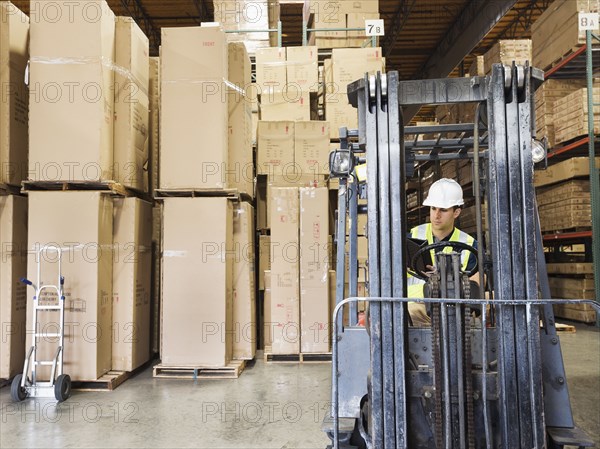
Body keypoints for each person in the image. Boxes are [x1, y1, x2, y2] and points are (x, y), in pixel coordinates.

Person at [407, 178, 478, 326]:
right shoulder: (412, 236)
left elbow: (476, 284)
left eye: (443, 210)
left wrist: (446, 278)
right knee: (409, 313)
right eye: (433, 208)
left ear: (456, 212)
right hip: (416, 305)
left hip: (454, 310)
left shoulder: (469, 244)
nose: (436, 215)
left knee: (477, 320)